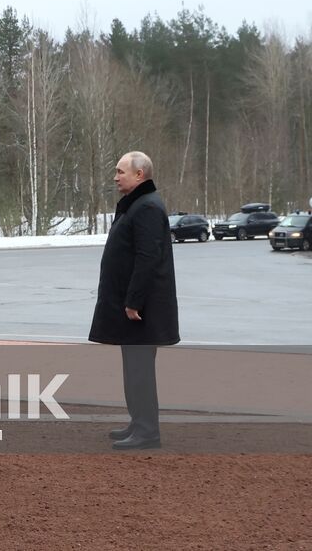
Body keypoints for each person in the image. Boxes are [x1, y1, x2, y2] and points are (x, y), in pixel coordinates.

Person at [88, 151, 180, 450]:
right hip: (133, 307)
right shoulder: (138, 205)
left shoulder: (147, 208)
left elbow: (148, 258)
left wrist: (134, 301)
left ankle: (147, 432)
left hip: (142, 311)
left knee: (140, 370)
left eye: (120, 171)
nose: (115, 177)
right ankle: (138, 423)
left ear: (139, 175)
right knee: (133, 368)